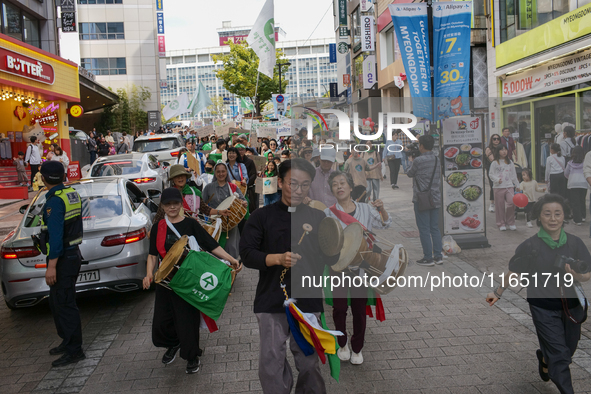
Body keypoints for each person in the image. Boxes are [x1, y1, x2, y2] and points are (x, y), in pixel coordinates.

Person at [239, 159, 339, 394]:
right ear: (280, 182)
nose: (298, 190)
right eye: (292, 183)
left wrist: (343, 250)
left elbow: (330, 258)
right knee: (271, 363)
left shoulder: (319, 218)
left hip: (308, 300)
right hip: (271, 299)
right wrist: (276, 259)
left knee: (309, 362)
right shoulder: (261, 217)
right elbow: (247, 253)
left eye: (305, 185)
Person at [486, 194, 590, 394]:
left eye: (557, 214)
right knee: (560, 355)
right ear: (539, 217)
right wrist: (497, 292)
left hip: (571, 306)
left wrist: (577, 274)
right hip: (542, 305)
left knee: (568, 348)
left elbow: (587, 275)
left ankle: (544, 357)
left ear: (564, 216)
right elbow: (514, 272)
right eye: (547, 214)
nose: (553, 218)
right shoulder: (530, 246)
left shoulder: (575, 243)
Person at [143, 188, 241, 374]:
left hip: (187, 279)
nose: (172, 207)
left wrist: (231, 259)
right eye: (168, 204)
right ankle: (174, 343)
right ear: (162, 207)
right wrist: (148, 275)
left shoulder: (191, 224)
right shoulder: (158, 227)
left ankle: (191, 356)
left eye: (175, 203)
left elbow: (210, 245)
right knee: (162, 321)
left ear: (181, 204)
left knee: (186, 319)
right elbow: (152, 255)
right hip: (165, 280)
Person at [323, 171, 391, 365]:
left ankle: (358, 348)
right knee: (339, 308)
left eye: (343, 183)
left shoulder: (366, 209)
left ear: (351, 187)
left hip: (362, 266)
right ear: (332, 190)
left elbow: (386, 224)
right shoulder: (328, 213)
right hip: (338, 267)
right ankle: (342, 343)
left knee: (359, 308)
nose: (339, 186)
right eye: (335, 184)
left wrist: (382, 209)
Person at [37, 161, 85, 367]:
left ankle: (75, 351)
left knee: (65, 305)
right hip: (72, 255)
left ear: (44, 179)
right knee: (57, 303)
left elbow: (56, 237)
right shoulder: (71, 193)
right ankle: (67, 342)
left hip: (62, 258)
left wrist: (52, 266)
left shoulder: (55, 202)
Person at [407, 135, 443, 266]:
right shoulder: (436, 159)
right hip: (435, 198)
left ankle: (428, 257)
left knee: (424, 229)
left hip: (421, 199)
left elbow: (409, 173)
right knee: (435, 228)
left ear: (421, 146)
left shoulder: (418, 161)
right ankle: (438, 256)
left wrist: (411, 160)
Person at [202, 161, 248, 259]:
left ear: (226, 172)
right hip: (215, 224)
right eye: (218, 171)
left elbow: (244, 202)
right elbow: (202, 205)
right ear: (215, 172)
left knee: (231, 249)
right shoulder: (208, 188)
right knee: (216, 251)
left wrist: (243, 203)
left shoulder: (233, 187)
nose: (221, 174)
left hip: (230, 224)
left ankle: (232, 271)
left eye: (223, 171)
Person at [489, 145, 520, 231]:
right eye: (502, 150)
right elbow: (491, 174)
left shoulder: (510, 162)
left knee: (511, 203)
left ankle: (510, 222)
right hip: (498, 187)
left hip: (509, 186)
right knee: (500, 206)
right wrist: (497, 180)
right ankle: (501, 223)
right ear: (498, 152)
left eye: (505, 149)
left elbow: (514, 175)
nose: (504, 151)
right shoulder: (495, 163)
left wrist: (517, 185)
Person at [564, 146, 587, 225]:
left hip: (573, 184)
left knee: (575, 202)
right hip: (584, 183)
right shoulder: (585, 163)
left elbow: (566, 173)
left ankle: (577, 220)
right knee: (582, 200)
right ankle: (583, 216)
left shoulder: (570, 163)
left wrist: (570, 177)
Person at [235, 143, 258, 213]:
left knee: (250, 207)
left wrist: (247, 183)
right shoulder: (234, 162)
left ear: (245, 151)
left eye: (242, 150)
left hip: (248, 188)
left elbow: (254, 174)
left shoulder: (250, 161)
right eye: (238, 150)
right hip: (236, 188)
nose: (240, 152)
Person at [485, 134, 502, 212]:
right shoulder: (488, 149)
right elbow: (492, 159)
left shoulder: (502, 148)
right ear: (491, 140)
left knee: (501, 186)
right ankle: (492, 203)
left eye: (498, 139)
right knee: (493, 186)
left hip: (501, 169)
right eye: (494, 139)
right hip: (491, 170)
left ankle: (500, 203)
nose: (496, 140)